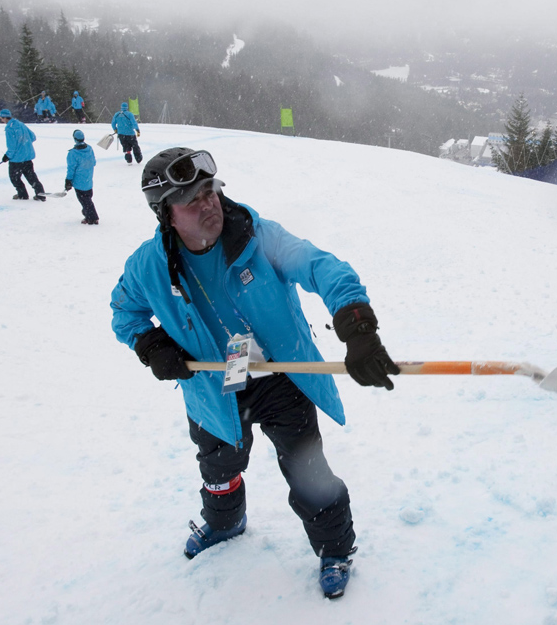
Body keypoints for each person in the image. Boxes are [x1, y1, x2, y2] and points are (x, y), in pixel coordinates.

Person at [110, 147, 399, 599]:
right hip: (213, 387)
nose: (208, 203)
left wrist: (357, 325)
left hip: (282, 377)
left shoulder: (257, 237)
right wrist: (151, 344)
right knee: (217, 469)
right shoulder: (148, 266)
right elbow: (124, 312)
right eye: (191, 199)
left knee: (308, 471)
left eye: (210, 191)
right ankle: (225, 523)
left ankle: (336, 550)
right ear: (166, 214)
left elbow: (320, 265)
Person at [0, 108, 46, 201]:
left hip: (17, 159)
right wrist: (24, 144)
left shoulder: (9, 128)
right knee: (31, 177)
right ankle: (40, 194)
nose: (1, 120)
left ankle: (22, 194)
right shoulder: (20, 124)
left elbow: (12, 146)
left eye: (1, 118)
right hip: (27, 156)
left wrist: (7, 156)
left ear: (5, 117)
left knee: (14, 178)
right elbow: (33, 137)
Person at [64, 129, 98, 225]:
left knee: (85, 200)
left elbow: (71, 169)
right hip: (89, 179)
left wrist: (68, 180)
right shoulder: (89, 148)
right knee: (88, 198)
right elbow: (94, 162)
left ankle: (92, 218)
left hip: (79, 181)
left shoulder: (73, 153)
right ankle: (87, 213)